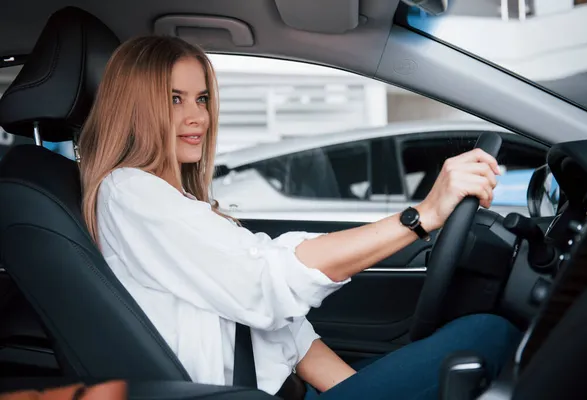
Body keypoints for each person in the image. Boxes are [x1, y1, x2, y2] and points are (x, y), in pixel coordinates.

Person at [78, 36, 521, 399]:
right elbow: (267, 282)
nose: (198, 117)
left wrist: (350, 389)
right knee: (488, 334)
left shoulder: (172, 199)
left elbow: (284, 330)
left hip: (286, 389)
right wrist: (420, 216)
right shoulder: (129, 191)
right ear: (137, 107)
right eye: (175, 99)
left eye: (202, 98)